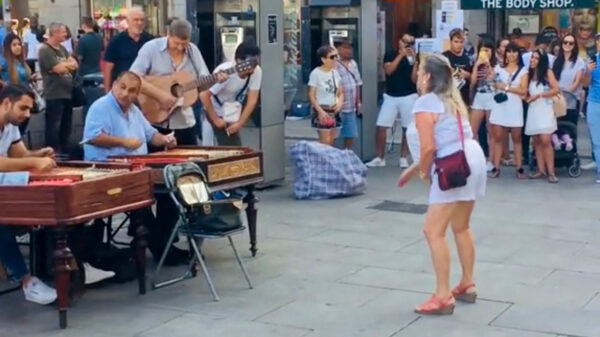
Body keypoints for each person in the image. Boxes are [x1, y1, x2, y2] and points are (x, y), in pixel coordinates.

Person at [397, 54, 486, 315]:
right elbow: (446, 138)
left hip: (452, 163)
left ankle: (443, 295)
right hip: (472, 157)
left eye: (419, 70)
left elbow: (429, 147)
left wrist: (423, 171)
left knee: (433, 231)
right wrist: (415, 169)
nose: (417, 75)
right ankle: (467, 283)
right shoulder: (451, 99)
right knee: (461, 226)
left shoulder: (425, 102)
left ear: (426, 76)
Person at [82, 71, 183, 264]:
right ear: (114, 85)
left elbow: (150, 134)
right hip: (107, 172)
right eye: (122, 87)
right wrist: (124, 142)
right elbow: (94, 136)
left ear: (137, 94)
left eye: (132, 91)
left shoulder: (134, 111)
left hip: (137, 170)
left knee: (170, 192)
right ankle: (163, 252)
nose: (126, 94)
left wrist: (166, 139)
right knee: (140, 204)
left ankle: (167, 244)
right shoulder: (100, 107)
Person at [0, 84, 57, 305]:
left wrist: (38, 154)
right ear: (6, 103)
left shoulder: (11, 126)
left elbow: (19, 156)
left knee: (50, 205)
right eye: (22, 108)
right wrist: (34, 162)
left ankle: (72, 263)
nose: (26, 115)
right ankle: (26, 280)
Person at [366, 33, 417, 168]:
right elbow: (389, 70)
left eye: (410, 42)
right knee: (381, 125)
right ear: (399, 41)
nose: (407, 45)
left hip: (409, 95)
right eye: (405, 41)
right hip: (391, 95)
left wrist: (415, 62)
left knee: (407, 127)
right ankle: (379, 157)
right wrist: (401, 55)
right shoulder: (390, 54)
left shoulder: (412, 57)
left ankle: (403, 157)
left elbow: (414, 80)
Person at [200, 41, 261, 146]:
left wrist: (240, 123)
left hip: (232, 112)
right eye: (250, 63)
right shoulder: (225, 71)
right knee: (229, 147)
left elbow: (252, 100)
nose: (253, 67)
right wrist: (215, 119)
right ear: (238, 61)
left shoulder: (257, 71)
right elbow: (204, 95)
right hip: (215, 109)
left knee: (235, 147)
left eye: (256, 63)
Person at [489, 43, 528, 179]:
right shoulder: (498, 68)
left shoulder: (523, 70)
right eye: (509, 52)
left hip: (515, 106)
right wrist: (493, 81)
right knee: (498, 137)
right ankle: (496, 166)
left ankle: (519, 167)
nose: (511, 55)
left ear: (518, 54)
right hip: (501, 106)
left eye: (514, 52)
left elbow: (523, 90)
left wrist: (505, 87)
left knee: (517, 138)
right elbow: (493, 83)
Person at [38, 22, 78, 153]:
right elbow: (58, 68)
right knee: (54, 126)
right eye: (63, 32)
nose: (65, 34)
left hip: (67, 93)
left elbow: (75, 64)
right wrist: (66, 65)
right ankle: (53, 151)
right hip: (54, 94)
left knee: (66, 125)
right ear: (54, 33)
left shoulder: (62, 49)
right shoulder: (45, 50)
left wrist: (64, 64)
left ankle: (64, 150)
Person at [525, 49, 560, 183]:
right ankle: (541, 170)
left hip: (545, 108)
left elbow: (556, 88)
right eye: (532, 58)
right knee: (537, 141)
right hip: (533, 110)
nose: (533, 60)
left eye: (536, 58)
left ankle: (551, 171)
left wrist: (540, 95)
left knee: (546, 140)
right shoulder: (529, 73)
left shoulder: (547, 72)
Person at [103, 7, 153, 91]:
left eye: (142, 20)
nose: (139, 23)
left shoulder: (150, 41)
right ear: (127, 21)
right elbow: (108, 69)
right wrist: (107, 92)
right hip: (121, 89)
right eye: (136, 20)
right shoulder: (116, 42)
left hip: (145, 90)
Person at [307, 45, 343, 146]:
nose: (335, 59)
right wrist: (320, 111)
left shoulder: (335, 73)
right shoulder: (316, 73)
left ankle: (328, 161)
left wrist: (339, 103)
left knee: (332, 140)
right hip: (322, 108)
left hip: (334, 109)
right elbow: (311, 95)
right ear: (323, 59)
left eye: (336, 56)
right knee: (325, 141)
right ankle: (323, 161)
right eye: (332, 57)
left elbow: (340, 92)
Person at [469, 38, 496, 171]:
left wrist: (489, 65)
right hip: (479, 96)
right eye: (482, 49)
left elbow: (493, 80)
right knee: (472, 131)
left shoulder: (497, 64)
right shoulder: (475, 62)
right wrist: (476, 65)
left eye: (488, 49)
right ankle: (472, 159)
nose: (485, 52)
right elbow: (473, 82)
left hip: (492, 97)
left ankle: (491, 160)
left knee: (491, 131)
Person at [0, 34, 33, 135]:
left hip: (24, 96)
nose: (18, 47)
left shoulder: (20, 62)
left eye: (19, 44)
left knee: (23, 123)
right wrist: (3, 84)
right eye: (14, 45)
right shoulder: (4, 61)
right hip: (12, 99)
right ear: (8, 47)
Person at [334, 38, 362, 149]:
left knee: (350, 134)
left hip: (351, 107)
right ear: (338, 49)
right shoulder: (334, 64)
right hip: (338, 108)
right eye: (345, 48)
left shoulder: (353, 64)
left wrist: (358, 102)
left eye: (350, 48)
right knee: (334, 135)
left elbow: (357, 83)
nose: (348, 51)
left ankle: (347, 156)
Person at [553, 34, 586, 126]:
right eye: (565, 42)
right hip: (555, 100)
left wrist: (562, 89)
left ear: (574, 45)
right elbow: (551, 79)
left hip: (571, 101)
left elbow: (576, 83)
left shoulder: (579, 62)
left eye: (571, 43)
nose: (567, 45)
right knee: (555, 134)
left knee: (569, 133)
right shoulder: (554, 60)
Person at [583, 33, 600, 183]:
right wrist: (587, 70)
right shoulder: (592, 60)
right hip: (594, 102)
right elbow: (585, 84)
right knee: (597, 140)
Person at [443, 28, 472, 107]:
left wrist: (466, 75)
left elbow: (473, 78)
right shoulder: (444, 57)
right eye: (456, 42)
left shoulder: (467, 58)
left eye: (461, 42)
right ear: (450, 41)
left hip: (464, 99)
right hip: (449, 98)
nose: (459, 45)